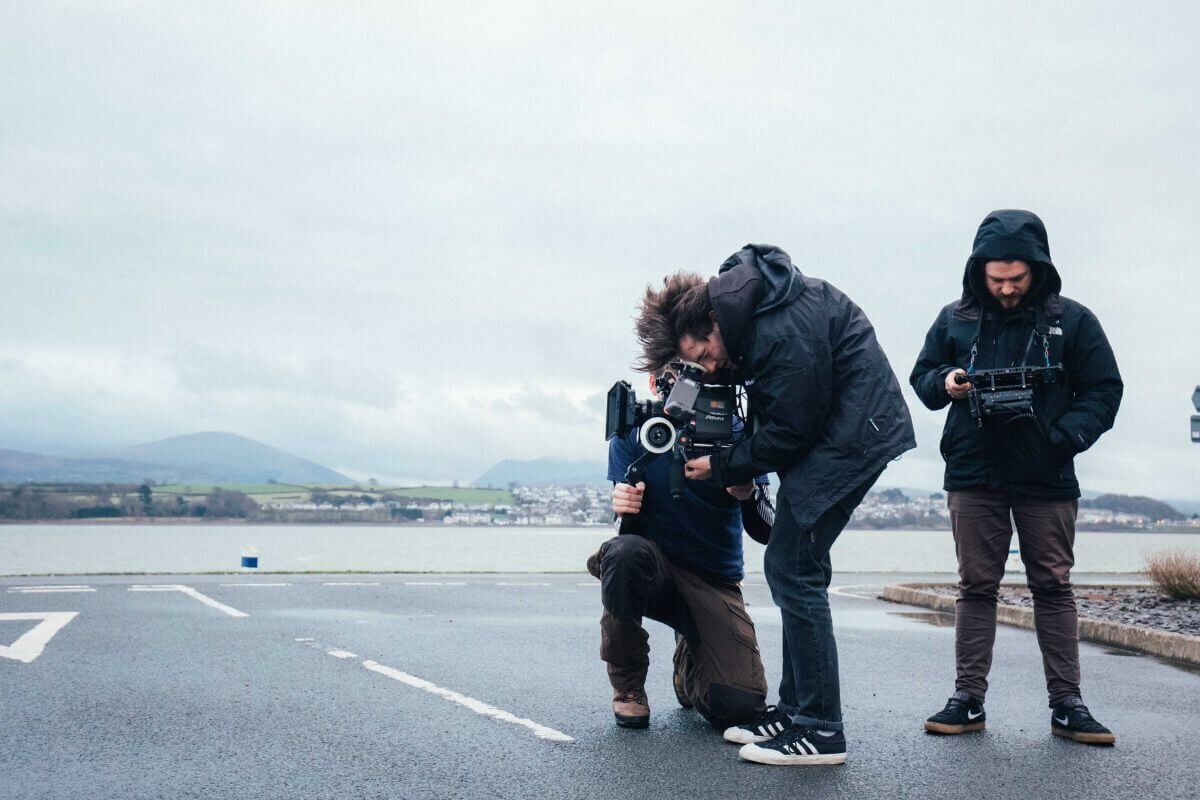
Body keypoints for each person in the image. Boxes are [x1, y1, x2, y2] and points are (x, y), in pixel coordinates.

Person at [634, 245, 916, 766]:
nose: (708, 367)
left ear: (709, 321)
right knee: (792, 565)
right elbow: (783, 418)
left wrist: (723, 468)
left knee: (795, 568)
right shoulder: (756, 315)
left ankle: (821, 729)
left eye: (701, 355)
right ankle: (795, 711)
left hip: (853, 437)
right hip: (837, 434)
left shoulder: (779, 329)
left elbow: (790, 430)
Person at [910, 209, 1122, 745]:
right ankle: (967, 700)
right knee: (976, 587)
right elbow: (922, 377)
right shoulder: (954, 318)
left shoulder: (1073, 321)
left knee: (1053, 586)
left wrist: (1061, 437)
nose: (1005, 289)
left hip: (1045, 473)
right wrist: (947, 382)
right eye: (996, 279)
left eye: (1017, 279)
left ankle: (1068, 704)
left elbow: (1105, 390)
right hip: (973, 471)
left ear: (1038, 269)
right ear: (979, 270)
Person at [588, 368, 774, 731]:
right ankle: (628, 689)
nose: (683, 387)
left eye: (693, 376)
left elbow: (767, 529)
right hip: (652, 570)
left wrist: (748, 493)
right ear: (654, 382)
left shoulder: (737, 431)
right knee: (623, 554)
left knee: (738, 706)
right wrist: (623, 507)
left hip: (713, 580)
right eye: (671, 376)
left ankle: (690, 658)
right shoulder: (635, 431)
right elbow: (622, 533)